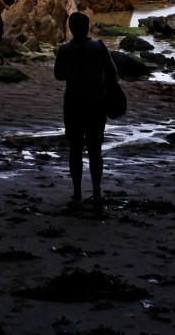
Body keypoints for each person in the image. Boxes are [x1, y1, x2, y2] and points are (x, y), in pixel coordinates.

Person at [54, 11, 120, 215]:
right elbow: (113, 72)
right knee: (95, 149)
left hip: (73, 103)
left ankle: (76, 192)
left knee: (75, 149)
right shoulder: (99, 47)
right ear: (87, 26)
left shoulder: (64, 49)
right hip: (96, 103)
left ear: (71, 29)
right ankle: (97, 190)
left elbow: (58, 75)